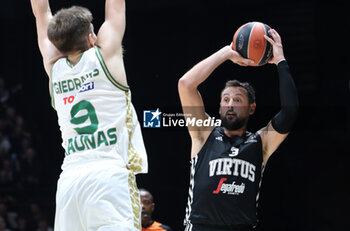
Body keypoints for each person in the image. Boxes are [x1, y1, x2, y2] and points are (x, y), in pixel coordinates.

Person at [29, 0, 148, 230]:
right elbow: (115, 8)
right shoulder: (106, 57)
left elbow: (40, 12)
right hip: (108, 177)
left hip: (70, 183)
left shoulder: (54, 67)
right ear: (91, 38)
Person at [178, 29, 299, 231]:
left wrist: (281, 61)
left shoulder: (261, 143)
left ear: (252, 108)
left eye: (237, 100)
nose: (230, 104)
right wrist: (226, 52)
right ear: (219, 107)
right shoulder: (204, 133)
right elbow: (186, 84)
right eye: (226, 100)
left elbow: (290, 111)